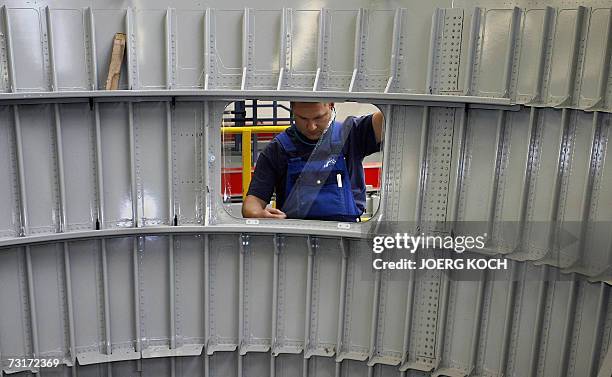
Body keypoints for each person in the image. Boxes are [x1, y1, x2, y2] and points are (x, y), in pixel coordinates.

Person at [242, 102, 384, 222]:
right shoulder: (278, 149)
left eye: (319, 117)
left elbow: (389, 116)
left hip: (347, 237)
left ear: (331, 105)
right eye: (302, 118)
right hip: (297, 240)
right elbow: (251, 205)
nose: (311, 127)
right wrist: (259, 215)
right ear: (292, 109)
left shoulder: (351, 133)